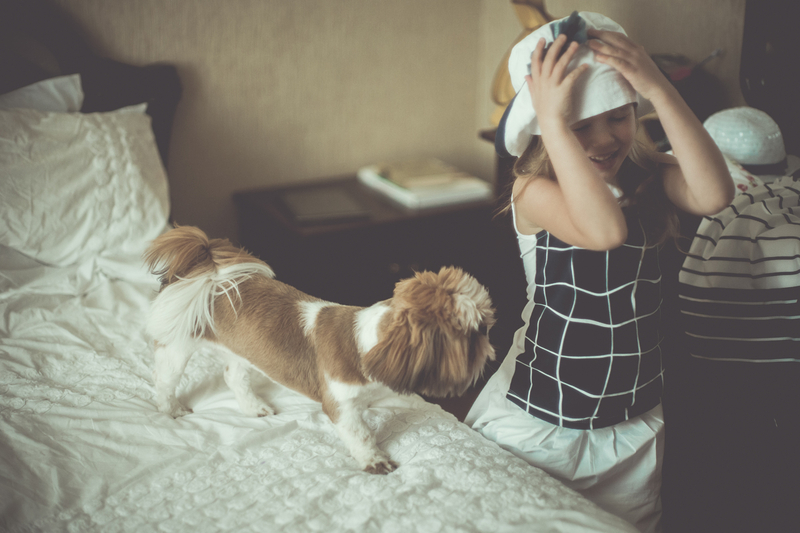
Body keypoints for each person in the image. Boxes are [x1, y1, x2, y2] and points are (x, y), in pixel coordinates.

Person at [465, 11, 734, 533]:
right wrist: (552, 120)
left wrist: (658, 88)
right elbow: (605, 229)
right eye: (579, 126)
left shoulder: (649, 176)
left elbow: (715, 194)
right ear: (543, 128)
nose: (604, 138)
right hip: (538, 423)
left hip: (629, 429)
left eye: (618, 116)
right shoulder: (532, 190)